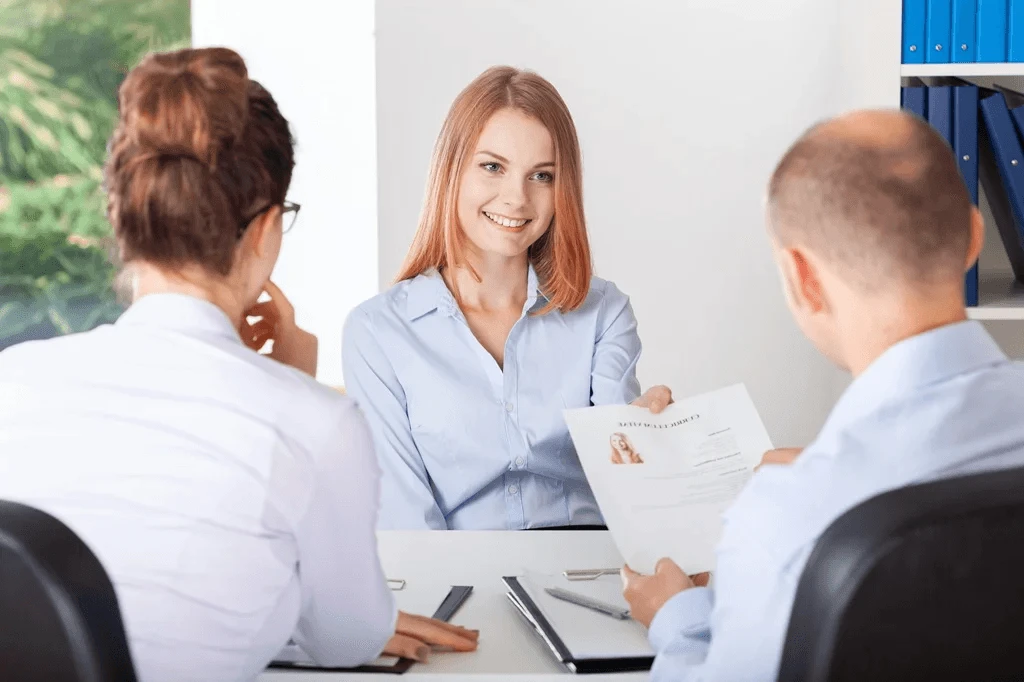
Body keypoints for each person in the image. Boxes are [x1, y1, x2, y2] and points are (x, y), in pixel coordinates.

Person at [0, 48, 476, 682]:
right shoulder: (316, 424)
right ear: (265, 230)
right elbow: (343, 639)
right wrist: (294, 390)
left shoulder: (16, 380)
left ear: (124, 221)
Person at [619, 108, 1024, 681]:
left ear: (801, 278)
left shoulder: (785, 520)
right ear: (974, 238)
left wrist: (676, 616)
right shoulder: (814, 505)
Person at [342, 65, 671, 530]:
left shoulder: (603, 313)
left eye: (542, 176)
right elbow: (406, 520)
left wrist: (651, 444)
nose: (516, 198)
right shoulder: (378, 332)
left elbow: (624, 488)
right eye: (492, 167)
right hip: (449, 588)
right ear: (451, 171)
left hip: (588, 577)